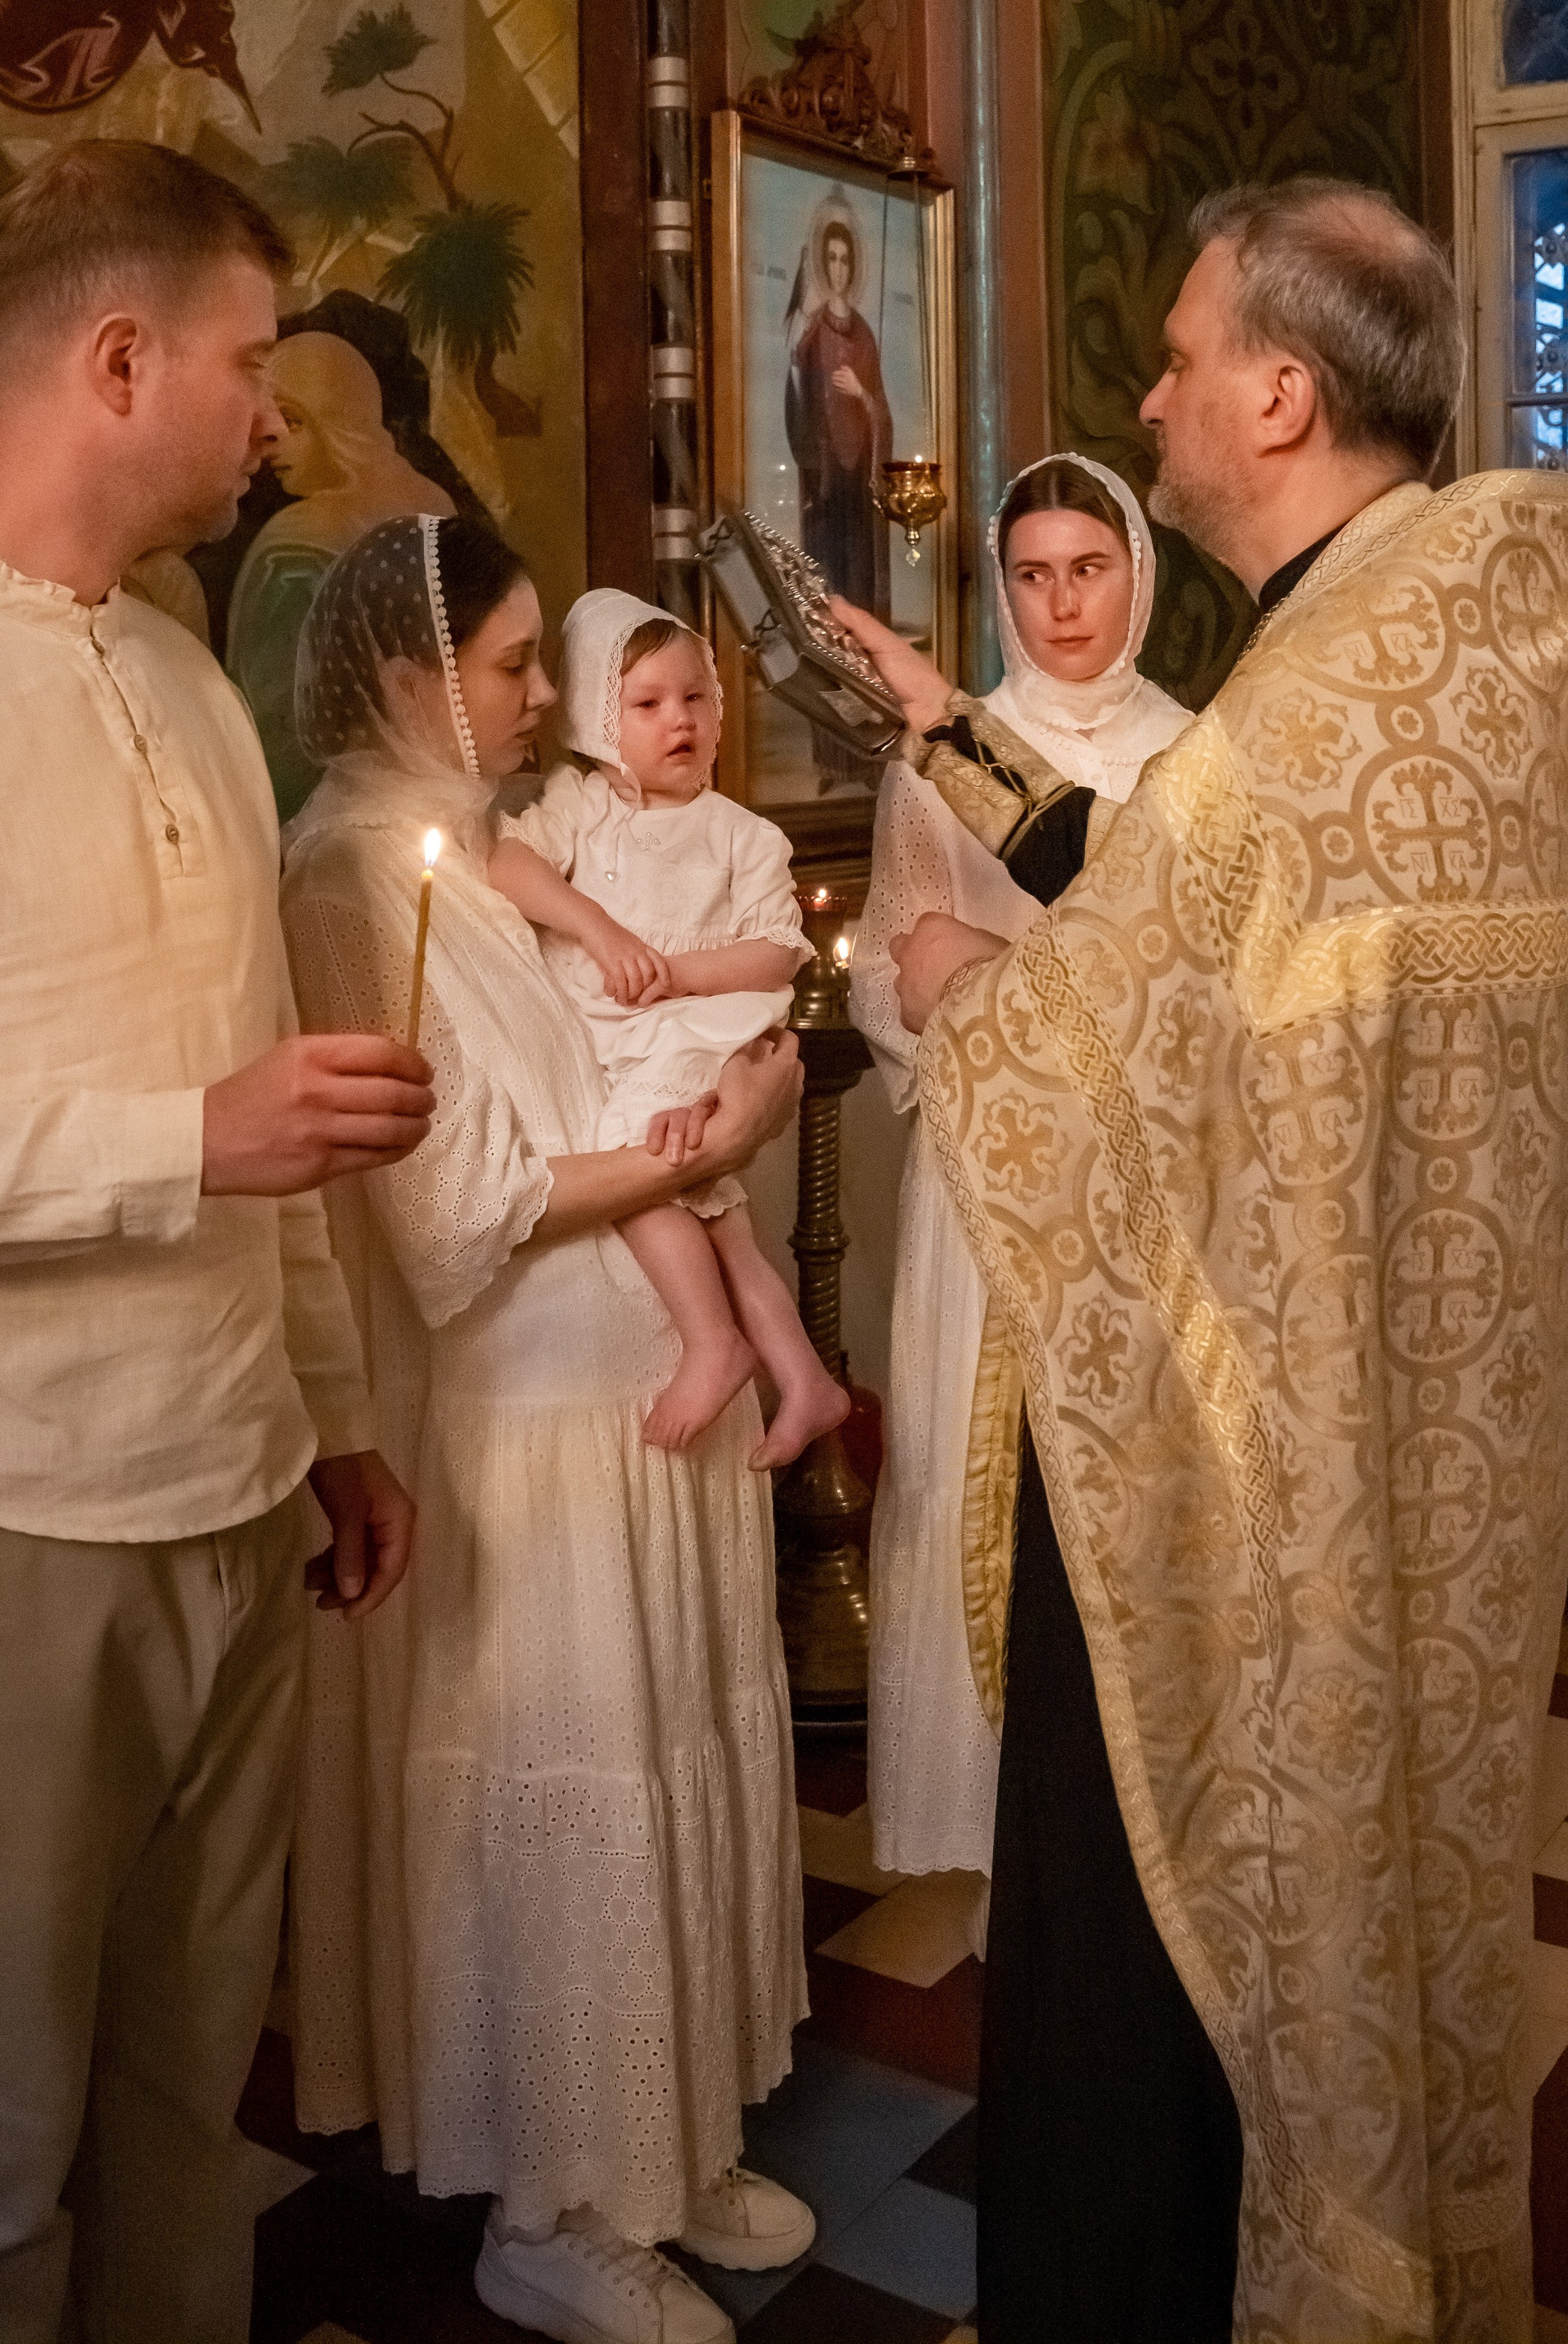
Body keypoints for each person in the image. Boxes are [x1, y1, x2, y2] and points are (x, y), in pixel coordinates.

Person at [836, 178, 1568, 2343]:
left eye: (1181, 353)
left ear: (1278, 387)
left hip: (1239, 1432)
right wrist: (947, 725)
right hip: (1371, 1393)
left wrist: (975, 1003)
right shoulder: (1412, 642)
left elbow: (1155, 969)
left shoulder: (1315, 690)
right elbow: (1180, 887)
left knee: (1147, 1915)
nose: (1153, 393)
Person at [0, 137, 435, 2344]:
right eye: (250, 361)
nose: (272, 409)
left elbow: (269, 1095)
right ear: (118, 356)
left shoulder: (180, 685)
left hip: (234, 1494)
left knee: (183, 2116)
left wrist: (323, 1412)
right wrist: (186, 1141)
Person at [281, 517, 816, 2344]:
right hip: (518, 1409)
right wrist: (719, 1146)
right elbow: (454, 1206)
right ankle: (557, 2198)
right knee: (564, 1803)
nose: (534, 702)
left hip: (620, 1377)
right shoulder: (354, 873)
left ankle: (669, 2138)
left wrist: (713, 1095)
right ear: (410, 666)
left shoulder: (467, 853)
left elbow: (589, 1056)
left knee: (670, 1750)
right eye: (512, 667)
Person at [850, 456, 1191, 1891]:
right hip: (981, 1195)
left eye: (1090, 569)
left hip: (1135, 1201)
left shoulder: (1196, 754)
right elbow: (883, 969)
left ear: (1139, 574)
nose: (1061, 604)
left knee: (1122, 1512)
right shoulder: (945, 750)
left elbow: (1184, 1000)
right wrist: (953, 999)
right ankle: (997, 1846)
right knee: (970, 1493)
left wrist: (989, 974)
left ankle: (1135, 1842)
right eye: (1035, 574)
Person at [488, 585, 850, 1459]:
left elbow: (774, 951)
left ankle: (712, 1341)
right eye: (646, 705)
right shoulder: (582, 807)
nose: (677, 720)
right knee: (721, 1217)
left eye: (695, 697)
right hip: (616, 1047)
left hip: (695, 1040)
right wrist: (595, 927)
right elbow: (505, 864)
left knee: (646, 1159)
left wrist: (676, 974)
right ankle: (802, 1377)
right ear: (596, 722)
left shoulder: (740, 835)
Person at [228, 329, 455, 815]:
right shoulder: (434, 506)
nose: (271, 443)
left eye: (293, 420)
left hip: (325, 814)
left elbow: (276, 724)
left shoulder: (294, 543)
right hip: (429, 801)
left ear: (337, 422)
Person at [785, 196, 894, 617]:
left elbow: (882, 412)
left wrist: (860, 394)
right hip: (826, 475)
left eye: (845, 259)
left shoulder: (864, 335)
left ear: (853, 267)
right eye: (830, 259)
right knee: (827, 571)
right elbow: (797, 396)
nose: (837, 267)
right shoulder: (811, 331)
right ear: (823, 265)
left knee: (859, 574)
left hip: (859, 474)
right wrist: (794, 360)